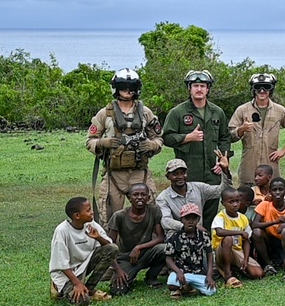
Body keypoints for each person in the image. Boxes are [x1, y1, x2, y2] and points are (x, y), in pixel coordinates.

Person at [86, 68, 164, 224]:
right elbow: (90, 141)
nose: (127, 91)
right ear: (116, 88)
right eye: (123, 87)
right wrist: (103, 143)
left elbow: (159, 138)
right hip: (114, 173)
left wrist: (151, 145)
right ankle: (112, 247)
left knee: (150, 213)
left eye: (131, 87)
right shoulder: (104, 114)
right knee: (109, 216)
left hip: (139, 172)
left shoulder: (146, 113)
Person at [162, 69, 232, 224]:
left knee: (211, 212)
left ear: (208, 89)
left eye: (202, 86)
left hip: (212, 172)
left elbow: (225, 137)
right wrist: (187, 137)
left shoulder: (217, 112)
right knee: (189, 212)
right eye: (195, 85)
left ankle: (209, 244)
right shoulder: (178, 112)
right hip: (188, 172)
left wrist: (223, 160)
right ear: (189, 88)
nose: (199, 89)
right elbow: (166, 137)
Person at [229, 73, 285, 187]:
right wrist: (241, 129)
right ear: (253, 89)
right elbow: (229, 135)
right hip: (249, 168)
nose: (262, 91)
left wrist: (283, 151)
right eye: (258, 87)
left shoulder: (280, 110)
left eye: (266, 87)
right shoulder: (242, 110)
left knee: (272, 201)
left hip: (271, 168)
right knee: (246, 200)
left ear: (271, 90)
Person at [49, 196, 119, 306]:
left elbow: (110, 247)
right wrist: (76, 283)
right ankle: (58, 287)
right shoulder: (62, 231)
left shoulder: (91, 225)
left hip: (84, 266)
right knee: (82, 301)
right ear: (77, 216)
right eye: (88, 210)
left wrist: (98, 238)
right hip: (66, 274)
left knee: (112, 248)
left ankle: (89, 288)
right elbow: (62, 264)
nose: (92, 213)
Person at [106, 184, 166, 295]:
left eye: (143, 194)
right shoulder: (119, 216)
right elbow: (109, 246)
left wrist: (139, 247)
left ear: (148, 198)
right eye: (135, 195)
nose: (139, 197)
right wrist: (118, 269)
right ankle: (129, 275)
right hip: (126, 258)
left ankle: (151, 277)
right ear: (129, 198)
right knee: (117, 291)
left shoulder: (154, 210)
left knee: (164, 249)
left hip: (147, 253)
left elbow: (161, 237)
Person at [156, 155, 233, 236]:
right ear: (168, 177)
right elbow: (166, 221)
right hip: (177, 235)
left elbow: (222, 191)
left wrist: (225, 170)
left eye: (183, 173)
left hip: (198, 235)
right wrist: (191, 227)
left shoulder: (198, 188)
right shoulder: (163, 198)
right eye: (175, 174)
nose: (180, 177)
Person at [250, 177, 285, 278]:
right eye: (274, 190)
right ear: (270, 191)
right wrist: (275, 222)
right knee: (257, 232)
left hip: (283, 242)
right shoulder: (264, 205)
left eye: (281, 189)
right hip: (268, 240)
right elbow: (254, 224)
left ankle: (280, 260)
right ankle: (267, 264)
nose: (277, 193)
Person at [211, 188, 263, 287]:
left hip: (237, 251)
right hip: (220, 251)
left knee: (258, 274)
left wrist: (246, 259)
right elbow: (219, 232)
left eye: (237, 201)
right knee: (228, 238)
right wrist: (240, 232)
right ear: (223, 203)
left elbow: (247, 240)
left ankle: (235, 268)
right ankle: (227, 273)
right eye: (231, 202)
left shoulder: (243, 218)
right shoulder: (220, 217)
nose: (235, 204)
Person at [164, 203, 217, 298]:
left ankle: (189, 287)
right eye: (187, 219)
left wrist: (209, 275)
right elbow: (168, 258)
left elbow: (209, 254)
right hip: (181, 272)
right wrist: (178, 272)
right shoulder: (175, 237)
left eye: (193, 218)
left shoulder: (203, 236)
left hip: (198, 272)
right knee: (171, 284)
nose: (190, 222)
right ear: (182, 220)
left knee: (211, 291)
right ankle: (183, 287)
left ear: (198, 220)